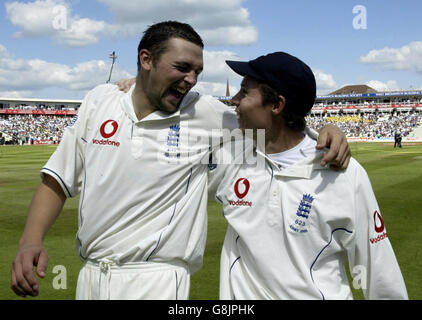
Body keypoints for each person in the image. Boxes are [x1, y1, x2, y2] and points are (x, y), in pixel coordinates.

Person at [10, 21, 350, 300]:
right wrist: (30, 241)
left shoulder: (206, 113)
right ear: (146, 60)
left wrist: (325, 129)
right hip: (91, 277)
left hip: (156, 280)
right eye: (182, 68)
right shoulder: (100, 101)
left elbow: (274, 123)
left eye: (197, 72)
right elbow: (57, 178)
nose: (191, 80)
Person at [209, 52, 408, 299]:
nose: (234, 100)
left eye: (244, 92)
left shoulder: (344, 173)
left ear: (276, 105)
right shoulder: (234, 153)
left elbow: (377, 267)